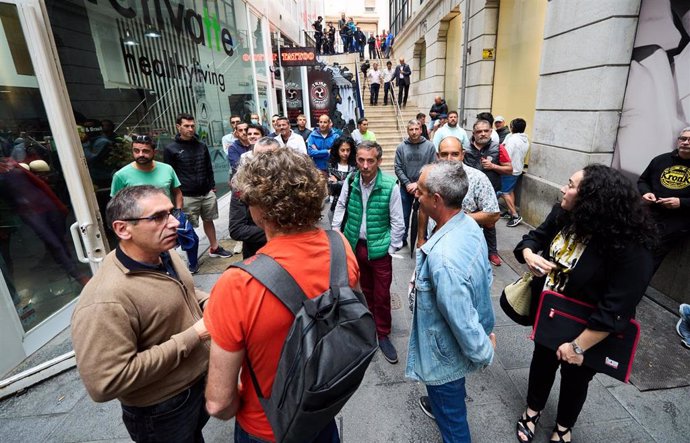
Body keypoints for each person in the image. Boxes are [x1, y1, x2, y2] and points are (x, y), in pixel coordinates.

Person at [204, 149, 359, 442]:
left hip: (266, 426)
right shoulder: (340, 247)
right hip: (320, 413)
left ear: (260, 209)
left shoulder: (238, 283)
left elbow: (219, 403)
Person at [513, 165, 656, 443]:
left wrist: (577, 346)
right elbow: (534, 238)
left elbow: (617, 309)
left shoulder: (631, 245)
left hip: (590, 328)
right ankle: (532, 411)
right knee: (541, 363)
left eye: (571, 185)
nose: (563, 189)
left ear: (593, 198)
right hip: (551, 314)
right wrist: (529, 254)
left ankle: (563, 427)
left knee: (576, 377)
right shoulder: (563, 214)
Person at [72, 185, 211, 442]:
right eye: (158, 217)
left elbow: (183, 292)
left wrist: (211, 301)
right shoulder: (105, 300)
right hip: (161, 411)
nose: (174, 223)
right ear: (122, 229)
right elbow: (105, 384)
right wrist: (194, 335)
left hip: (195, 389)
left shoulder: (161, 253)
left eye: (171, 213)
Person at [407, 161, 496, 442]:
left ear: (437, 200)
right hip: (452, 349)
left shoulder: (444, 259)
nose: (416, 195)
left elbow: (461, 318)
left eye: (420, 191)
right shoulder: (467, 224)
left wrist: (484, 351)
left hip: (443, 357)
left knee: (453, 424)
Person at [332, 141, 404, 364]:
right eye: (361, 160)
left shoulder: (390, 185)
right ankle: (366, 327)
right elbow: (341, 206)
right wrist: (337, 234)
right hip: (355, 245)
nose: (365, 165)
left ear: (379, 161)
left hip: (380, 250)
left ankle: (382, 334)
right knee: (362, 291)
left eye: (370, 160)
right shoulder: (352, 180)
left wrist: (391, 248)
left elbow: (398, 221)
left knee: (382, 294)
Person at [164, 113, 233, 259]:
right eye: (186, 126)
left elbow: (208, 167)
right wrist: (177, 196)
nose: (190, 129)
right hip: (187, 195)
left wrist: (212, 187)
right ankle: (191, 258)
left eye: (192, 126)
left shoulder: (201, 145)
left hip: (206, 192)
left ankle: (214, 248)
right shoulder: (171, 149)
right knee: (188, 228)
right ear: (178, 127)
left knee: (209, 220)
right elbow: (170, 174)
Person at [416, 136, 500, 248]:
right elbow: (423, 208)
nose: (449, 159)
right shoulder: (429, 175)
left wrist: (458, 219)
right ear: (437, 156)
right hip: (434, 240)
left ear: (462, 155)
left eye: (455, 154)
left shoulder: (477, 178)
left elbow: (493, 214)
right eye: (444, 154)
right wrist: (421, 239)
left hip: (465, 243)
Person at [638, 127, 690, 272]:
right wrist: (646, 193)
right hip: (650, 215)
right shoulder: (661, 160)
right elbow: (642, 180)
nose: (686, 142)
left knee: (651, 258)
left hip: (677, 221)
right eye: (683, 139)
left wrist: (681, 202)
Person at [463, 119, 513, 266]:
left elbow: (510, 170)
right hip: (469, 194)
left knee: (490, 223)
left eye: (486, 131)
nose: (483, 134)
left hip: (490, 192)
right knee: (468, 222)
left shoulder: (499, 148)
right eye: (479, 131)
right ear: (474, 133)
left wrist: (493, 166)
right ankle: (470, 251)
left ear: (491, 131)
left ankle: (492, 252)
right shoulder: (465, 149)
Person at [228, 137, 279, 259]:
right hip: (257, 254)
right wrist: (277, 232)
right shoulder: (241, 185)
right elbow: (237, 229)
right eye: (260, 157)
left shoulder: (292, 182)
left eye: (271, 156)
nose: (265, 162)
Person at [394, 119, 437, 246]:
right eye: (411, 129)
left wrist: (418, 184)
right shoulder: (401, 147)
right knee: (403, 215)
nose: (414, 132)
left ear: (421, 129)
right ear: (407, 131)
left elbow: (433, 166)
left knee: (424, 215)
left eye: (416, 129)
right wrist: (407, 183)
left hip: (424, 188)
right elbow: (398, 167)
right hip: (406, 188)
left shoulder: (429, 146)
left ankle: (422, 239)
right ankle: (402, 239)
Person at [501, 118, 530, 227]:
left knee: (504, 192)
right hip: (518, 168)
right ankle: (509, 211)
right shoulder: (525, 138)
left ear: (513, 127)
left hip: (509, 169)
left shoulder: (512, 139)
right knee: (510, 190)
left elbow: (506, 154)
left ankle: (515, 215)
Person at [327, 136, 357, 211]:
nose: (345, 153)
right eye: (342, 150)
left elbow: (353, 184)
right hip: (335, 201)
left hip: (352, 202)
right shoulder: (332, 165)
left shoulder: (355, 166)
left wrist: (337, 182)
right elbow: (331, 186)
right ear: (337, 150)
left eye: (348, 150)